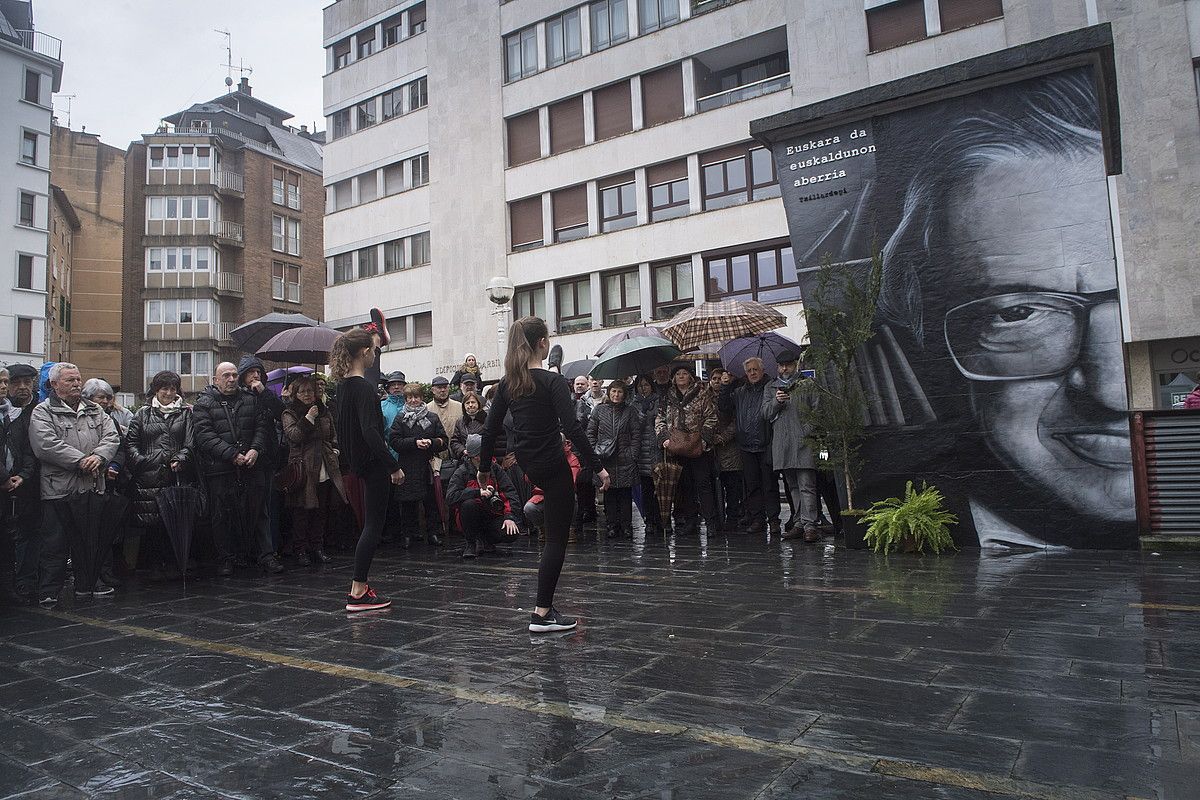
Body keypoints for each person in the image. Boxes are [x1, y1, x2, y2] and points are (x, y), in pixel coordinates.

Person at [482, 316, 607, 633]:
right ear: (542, 343)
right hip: (553, 464)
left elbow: (490, 431)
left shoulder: (509, 383)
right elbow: (573, 427)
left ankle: (544, 609)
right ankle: (542, 612)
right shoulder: (552, 382)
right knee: (556, 540)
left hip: (529, 462)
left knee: (552, 531)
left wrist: (484, 469)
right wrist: (597, 465)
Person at [29, 363, 122, 601]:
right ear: (54, 384)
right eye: (70, 380)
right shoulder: (43, 411)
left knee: (89, 541)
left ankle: (88, 584)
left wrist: (100, 457)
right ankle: (49, 590)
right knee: (55, 543)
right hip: (58, 489)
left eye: (78, 380)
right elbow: (45, 445)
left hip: (91, 487)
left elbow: (111, 436)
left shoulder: (95, 410)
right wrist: (81, 460)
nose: (77, 384)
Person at [332, 328, 405, 612]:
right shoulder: (362, 388)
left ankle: (358, 588)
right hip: (374, 464)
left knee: (371, 526)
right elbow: (371, 432)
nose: (376, 354)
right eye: (374, 350)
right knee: (373, 527)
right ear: (364, 353)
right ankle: (358, 591)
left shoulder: (343, 387)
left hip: (359, 463)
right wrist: (393, 465)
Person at [191, 361, 282, 576]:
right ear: (216, 379)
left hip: (252, 465)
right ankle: (226, 558)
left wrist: (255, 450)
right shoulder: (203, 404)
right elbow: (204, 436)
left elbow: (262, 426)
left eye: (233, 375)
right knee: (222, 516)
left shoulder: (251, 399)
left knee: (259, 512)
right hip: (220, 468)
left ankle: (265, 555)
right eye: (226, 376)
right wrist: (231, 454)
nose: (231, 379)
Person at [124, 370, 197, 579]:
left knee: (173, 521)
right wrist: (142, 461)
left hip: (176, 477)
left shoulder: (185, 413)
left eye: (173, 388)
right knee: (151, 524)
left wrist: (181, 458)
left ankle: (174, 562)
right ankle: (154, 565)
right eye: (164, 388)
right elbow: (131, 443)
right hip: (148, 477)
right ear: (156, 390)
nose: (169, 392)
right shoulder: (142, 414)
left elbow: (190, 443)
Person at [281, 374, 345, 566]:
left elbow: (332, 434)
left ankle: (318, 547)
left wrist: (335, 449)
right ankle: (301, 549)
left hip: (325, 464)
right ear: (295, 393)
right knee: (302, 510)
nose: (308, 394)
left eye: (310, 390)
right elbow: (294, 435)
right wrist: (308, 418)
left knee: (321, 509)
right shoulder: (289, 413)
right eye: (303, 391)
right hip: (304, 467)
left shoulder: (324, 410)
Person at [764, 351, 821, 543]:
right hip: (783, 443)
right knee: (793, 486)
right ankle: (799, 523)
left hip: (803, 441)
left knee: (807, 485)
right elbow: (764, 413)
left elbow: (817, 410)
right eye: (781, 365)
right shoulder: (771, 387)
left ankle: (810, 524)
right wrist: (776, 402)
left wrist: (805, 430)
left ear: (796, 364)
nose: (784, 368)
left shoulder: (807, 384)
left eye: (788, 365)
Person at [656, 364, 719, 535]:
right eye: (678, 374)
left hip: (698, 446)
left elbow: (711, 417)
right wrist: (664, 438)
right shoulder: (667, 396)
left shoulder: (701, 394)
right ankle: (691, 521)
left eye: (685, 373)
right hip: (676, 446)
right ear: (673, 378)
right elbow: (660, 418)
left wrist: (704, 440)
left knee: (703, 485)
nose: (681, 376)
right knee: (685, 486)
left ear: (691, 377)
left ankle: (711, 522)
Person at [719, 357, 779, 534]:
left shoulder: (770, 387)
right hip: (745, 445)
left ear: (762, 370)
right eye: (749, 370)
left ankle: (774, 519)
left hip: (766, 442)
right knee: (752, 485)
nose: (752, 373)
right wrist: (725, 386)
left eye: (755, 369)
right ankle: (757, 518)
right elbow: (724, 407)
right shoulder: (740, 391)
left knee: (769, 485)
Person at [387, 384, 447, 547]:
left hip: (427, 465)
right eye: (410, 397)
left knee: (430, 502)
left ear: (422, 398)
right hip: (407, 465)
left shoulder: (432, 417)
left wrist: (432, 442)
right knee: (407, 503)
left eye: (417, 397)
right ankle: (408, 534)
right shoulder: (400, 418)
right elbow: (394, 441)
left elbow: (444, 440)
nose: (413, 400)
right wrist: (414, 442)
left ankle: (433, 533)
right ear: (406, 399)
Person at [447, 433, 520, 558]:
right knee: (468, 504)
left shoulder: (495, 469)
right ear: (476, 456)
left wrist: (509, 517)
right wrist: (476, 492)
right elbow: (450, 497)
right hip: (471, 517)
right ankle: (471, 543)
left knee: (510, 533)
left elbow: (510, 493)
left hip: (493, 515)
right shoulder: (462, 472)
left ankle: (487, 540)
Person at [586, 380, 641, 539]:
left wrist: (632, 454)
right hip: (605, 458)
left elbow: (636, 435)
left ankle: (626, 526)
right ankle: (611, 525)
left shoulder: (630, 411)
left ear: (624, 394)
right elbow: (591, 433)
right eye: (614, 391)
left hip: (625, 458)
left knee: (625, 494)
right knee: (608, 493)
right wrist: (595, 452)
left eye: (620, 392)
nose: (616, 395)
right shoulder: (599, 410)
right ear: (609, 393)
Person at [5, 364, 41, 602]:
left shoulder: (38, 411)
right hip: (4, 482)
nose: (23, 388)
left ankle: (26, 581)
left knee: (31, 533)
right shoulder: (5, 412)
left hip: (31, 484)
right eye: (17, 383)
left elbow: (35, 449)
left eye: (27, 382)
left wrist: (25, 475)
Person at [632, 375, 663, 536]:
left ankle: (661, 519)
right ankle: (649, 519)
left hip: (656, 447)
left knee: (659, 487)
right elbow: (635, 425)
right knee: (646, 488)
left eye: (646, 385)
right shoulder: (634, 404)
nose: (643, 388)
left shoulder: (659, 400)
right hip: (641, 449)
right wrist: (643, 412)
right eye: (640, 385)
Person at [451, 393, 487, 462]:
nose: (470, 405)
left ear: (478, 404)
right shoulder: (460, 421)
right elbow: (454, 441)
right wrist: (463, 450)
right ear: (464, 406)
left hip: (485, 458)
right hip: (466, 460)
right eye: (467, 403)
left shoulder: (487, 419)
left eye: (473, 402)